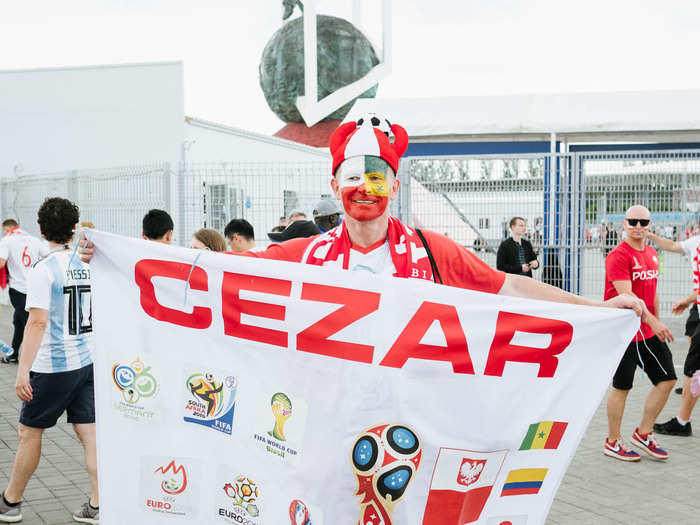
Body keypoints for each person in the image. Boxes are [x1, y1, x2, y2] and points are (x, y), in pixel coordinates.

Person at [81, 116, 657, 332]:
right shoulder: (304, 254)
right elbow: (218, 268)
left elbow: (513, 288)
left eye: (378, 176)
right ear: (334, 185)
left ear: (396, 186)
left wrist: (598, 308)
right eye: (352, 176)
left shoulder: (432, 251)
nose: (365, 189)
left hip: (412, 422)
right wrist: (116, 255)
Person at [0, 198, 98, 524]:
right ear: (74, 228)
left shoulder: (43, 270)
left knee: (29, 433)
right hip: (86, 362)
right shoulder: (88, 264)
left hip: (53, 367)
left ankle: (10, 503)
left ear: (41, 229)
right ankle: (97, 506)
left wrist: (22, 370)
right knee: (90, 435)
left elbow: (37, 323)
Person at [603, 206, 676, 462]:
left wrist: (657, 319)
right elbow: (628, 296)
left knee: (667, 380)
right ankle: (612, 441)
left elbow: (652, 289)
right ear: (624, 224)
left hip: (646, 330)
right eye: (632, 221)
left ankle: (644, 432)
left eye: (643, 221)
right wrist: (653, 321)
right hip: (623, 332)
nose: (637, 225)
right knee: (622, 388)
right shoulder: (617, 256)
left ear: (649, 224)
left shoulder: (653, 254)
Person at [647, 227, 700, 435]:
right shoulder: (694, 242)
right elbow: (671, 245)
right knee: (692, 347)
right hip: (697, 308)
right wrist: (650, 236)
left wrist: (686, 300)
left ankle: (682, 422)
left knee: (693, 369)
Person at [0, 219, 47, 364]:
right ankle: (13, 355)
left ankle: (39, 359)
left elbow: (1, 262)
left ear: (7, 229)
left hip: (18, 289)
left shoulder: (7, 240)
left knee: (29, 323)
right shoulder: (33, 239)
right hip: (34, 288)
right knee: (18, 321)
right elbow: (47, 257)